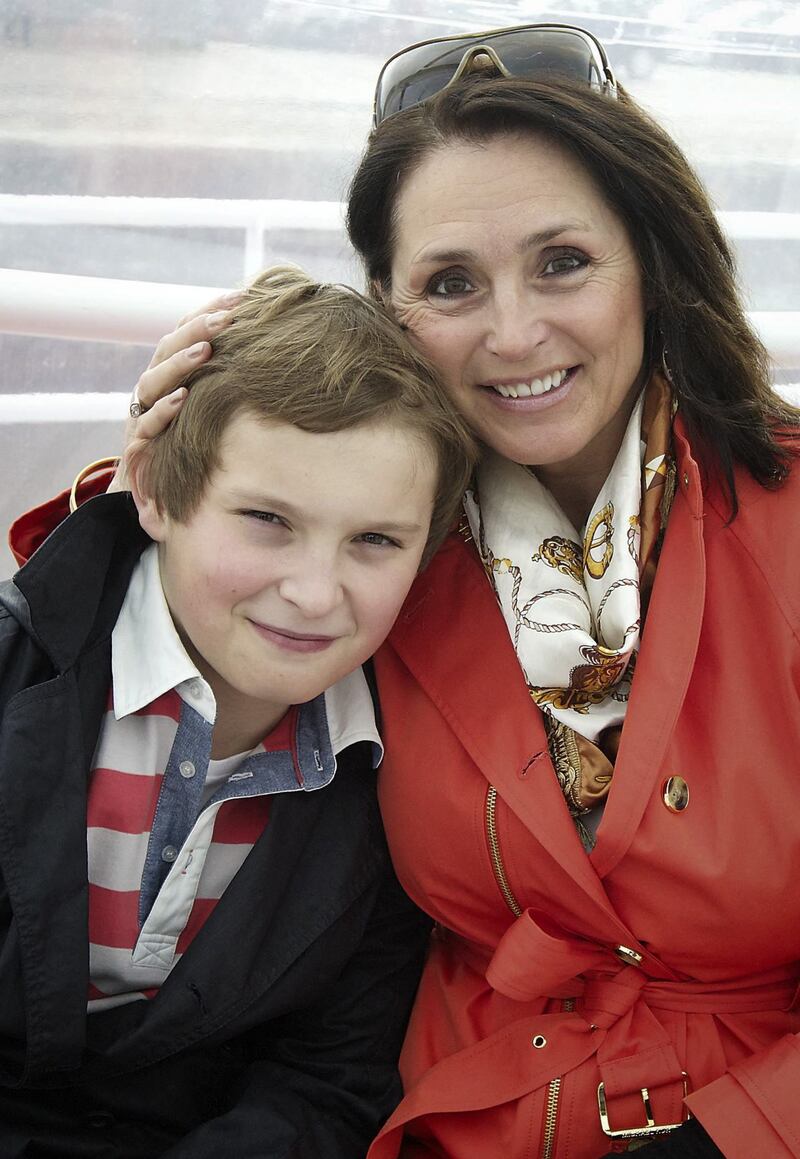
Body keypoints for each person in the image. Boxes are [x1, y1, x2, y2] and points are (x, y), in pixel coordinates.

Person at [13, 23, 800, 1159]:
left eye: (562, 262)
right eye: (449, 283)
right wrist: (168, 464)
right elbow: (192, 616)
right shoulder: (381, 553)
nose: (514, 330)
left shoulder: (779, 525)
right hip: (448, 1117)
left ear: (650, 261)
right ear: (391, 310)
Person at [0, 264, 477, 1159]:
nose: (311, 592)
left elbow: (329, 1076)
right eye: (266, 518)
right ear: (151, 487)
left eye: (375, 540)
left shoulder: (398, 783)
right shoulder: (20, 668)